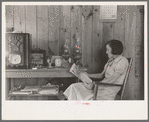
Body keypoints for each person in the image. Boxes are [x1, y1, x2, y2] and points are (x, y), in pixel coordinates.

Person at [57, 40, 129, 100]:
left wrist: (96, 85)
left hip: (109, 89)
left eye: (108, 50)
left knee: (83, 94)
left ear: (114, 50)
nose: (106, 52)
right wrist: (87, 75)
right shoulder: (110, 60)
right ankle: (65, 99)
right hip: (101, 85)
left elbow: (112, 80)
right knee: (74, 86)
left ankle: (73, 107)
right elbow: (101, 75)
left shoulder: (123, 61)